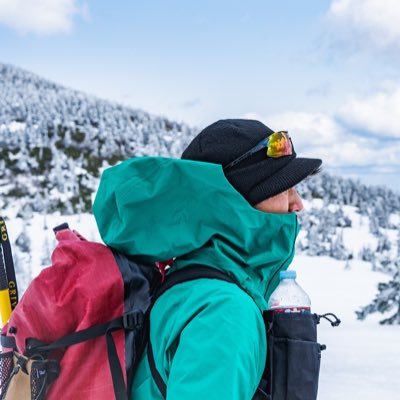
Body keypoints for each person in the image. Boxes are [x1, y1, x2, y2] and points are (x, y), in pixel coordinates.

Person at [94, 119, 322, 399]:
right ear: (235, 203)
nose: (297, 203)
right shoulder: (224, 312)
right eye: (284, 189)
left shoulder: (195, 285)